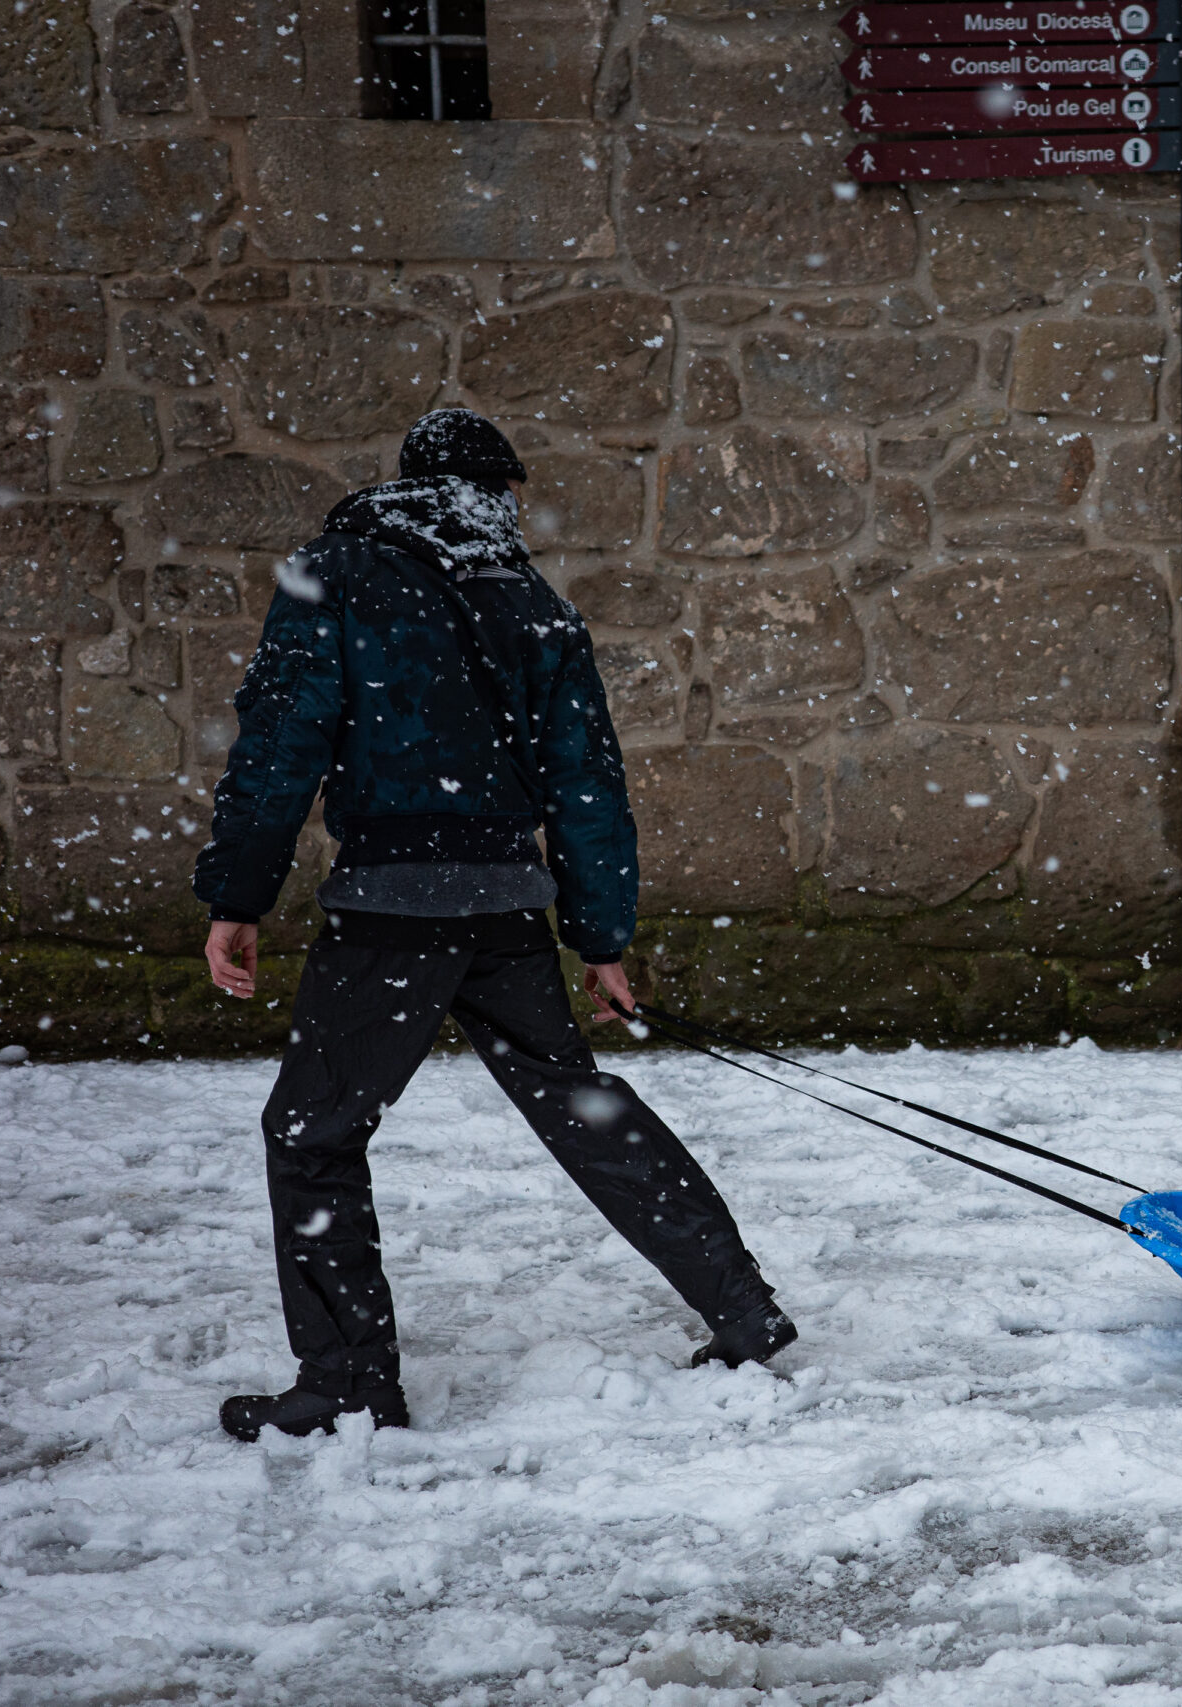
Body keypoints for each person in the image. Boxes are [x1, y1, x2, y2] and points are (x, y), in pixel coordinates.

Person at [194, 409, 794, 1441]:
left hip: (390, 909)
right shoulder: (535, 604)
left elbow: (282, 740)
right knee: (581, 1107)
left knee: (312, 1134)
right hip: (505, 905)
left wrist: (237, 896)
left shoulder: (334, 574)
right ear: (488, 492)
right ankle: (742, 1308)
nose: (517, 511)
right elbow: (587, 783)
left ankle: (347, 1383)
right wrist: (600, 937)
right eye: (512, 493)